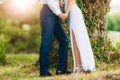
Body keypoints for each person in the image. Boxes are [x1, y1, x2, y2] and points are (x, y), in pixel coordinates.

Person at [59, 0, 96, 75]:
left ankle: (79, 67)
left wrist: (66, 13)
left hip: (73, 12)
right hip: (70, 12)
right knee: (75, 40)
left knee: (76, 40)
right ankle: (80, 65)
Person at [39, 0, 71, 77]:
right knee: (46, 41)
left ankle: (61, 69)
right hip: (48, 12)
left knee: (64, 40)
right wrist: (59, 13)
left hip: (53, 14)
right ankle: (44, 71)